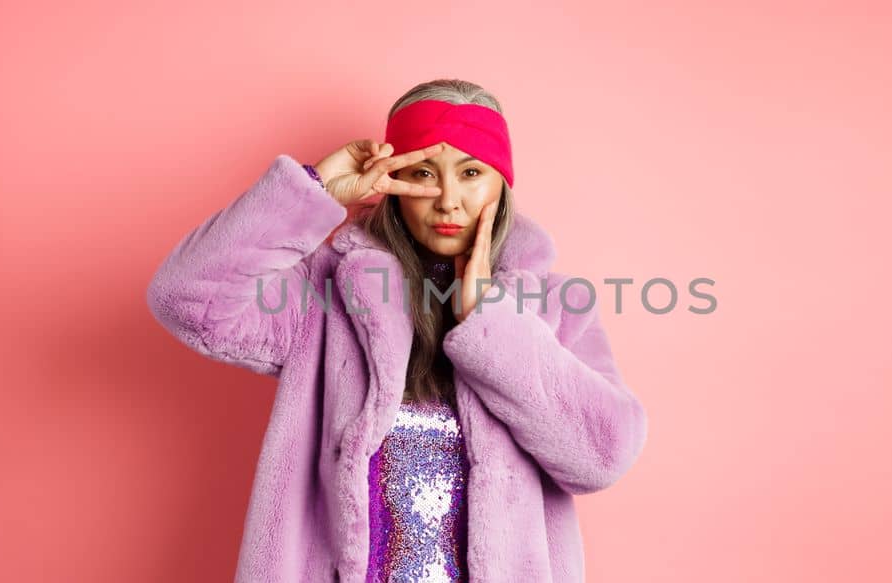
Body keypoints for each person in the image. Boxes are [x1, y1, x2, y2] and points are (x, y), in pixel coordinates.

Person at [146, 78, 648, 582]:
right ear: (394, 181)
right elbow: (186, 298)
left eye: (471, 173)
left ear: (501, 184)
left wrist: (492, 322)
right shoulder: (326, 294)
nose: (448, 200)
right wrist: (314, 189)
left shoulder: (554, 305)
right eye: (424, 173)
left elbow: (603, 456)